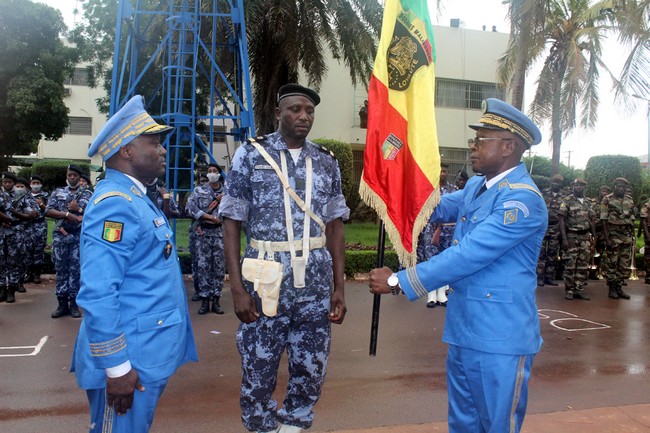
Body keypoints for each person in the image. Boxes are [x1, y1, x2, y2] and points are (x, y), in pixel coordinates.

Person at [369, 98, 546, 433]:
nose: (473, 147)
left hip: (501, 339)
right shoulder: (477, 187)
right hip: (465, 331)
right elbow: (431, 208)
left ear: (508, 146)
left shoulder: (521, 200)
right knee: (463, 424)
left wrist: (398, 281)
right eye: (474, 140)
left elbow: (467, 255)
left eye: (481, 140)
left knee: (496, 426)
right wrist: (393, 174)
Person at [220, 83, 348, 433]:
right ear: (278, 113)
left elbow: (336, 227)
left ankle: (294, 425)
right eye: (295, 109)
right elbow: (231, 222)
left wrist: (339, 287)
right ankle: (261, 426)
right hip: (265, 281)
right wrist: (236, 289)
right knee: (259, 366)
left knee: (311, 366)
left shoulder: (326, 162)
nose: (303, 116)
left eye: (309, 110)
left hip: (315, 284)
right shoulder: (251, 155)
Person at [71, 95, 197, 433]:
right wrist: (116, 368)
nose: (162, 150)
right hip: (130, 362)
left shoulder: (137, 197)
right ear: (126, 151)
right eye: (153, 142)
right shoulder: (116, 205)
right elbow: (98, 292)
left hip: (144, 352)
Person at [45, 165, 93, 318]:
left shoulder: (88, 194)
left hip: (78, 237)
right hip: (60, 237)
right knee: (61, 271)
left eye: (75, 175)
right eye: (69, 175)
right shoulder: (58, 192)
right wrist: (66, 214)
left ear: (80, 177)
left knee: (76, 271)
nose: (72, 177)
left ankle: (73, 304)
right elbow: (48, 210)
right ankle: (61, 304)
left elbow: (94, 214)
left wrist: (78, 209)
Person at [185, 163, 226, 315]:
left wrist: (220, 220)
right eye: (209, 171)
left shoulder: (227, 192)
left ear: (220, 174)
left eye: (215, 171)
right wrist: (208, 217)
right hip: (203, 234)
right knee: (203, 268)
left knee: (219, 268)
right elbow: (189, 207)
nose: (212, 173)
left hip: (220, 234)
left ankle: (216, 300)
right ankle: (204, 301)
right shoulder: (199, 190)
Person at [418, 162, 457, 308]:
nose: (442, 174)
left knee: (446, 262)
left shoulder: (453, 190)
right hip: (431, 230)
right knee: (431, 262)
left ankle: (442, 295)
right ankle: (431, 295)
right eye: (440, 171)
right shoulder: (429, 189)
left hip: (448, 231)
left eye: (445, 171)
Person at [558, 178, 596, 300]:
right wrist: (564, 239)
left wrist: (594, 236)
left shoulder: (588, 202)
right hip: (572, 236)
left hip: (585, 236)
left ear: (584, 187)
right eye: (576, 185)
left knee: (582, 264)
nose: (578, 187)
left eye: (581, 186)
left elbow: (592, 220)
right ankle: (569, 290)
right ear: (573, 187)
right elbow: (561, 220)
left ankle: (579, 289)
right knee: (570, 264)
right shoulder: (567, 201)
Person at [600, 177, 635, 299]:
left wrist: (632, 235)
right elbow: (603, 220)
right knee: (612, 263)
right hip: (613, 235)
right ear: (614, 186)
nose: (621, 188)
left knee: (623, 264)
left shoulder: (629, 199)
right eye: (619, 186)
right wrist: (607, 238)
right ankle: (612, 288)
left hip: (626, 236)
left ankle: (619, 287)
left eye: (623, 187)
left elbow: (631, 217)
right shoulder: (607, 200)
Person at [537, 173, 564, 286]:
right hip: (543, 226)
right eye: (554, 182)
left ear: (561, 184)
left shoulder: (564, 196)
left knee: (552, 253)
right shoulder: (543, 193)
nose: (555, 184)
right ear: (550, 182)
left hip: (555, 227)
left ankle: (549, 277)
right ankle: (539, 278)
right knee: (541, 253)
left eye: (558, 182)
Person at [26, 175, 49, 284]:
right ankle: (28, 274)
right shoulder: (25, 195)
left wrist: (42, 205)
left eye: (37, 183)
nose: (35, 185)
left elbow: (50, 211)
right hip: (28, 226)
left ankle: (37, 275)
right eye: (33, 183)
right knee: (28, 250)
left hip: (40, 225)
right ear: (30, 184)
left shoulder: (45, 196)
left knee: (39, 250)